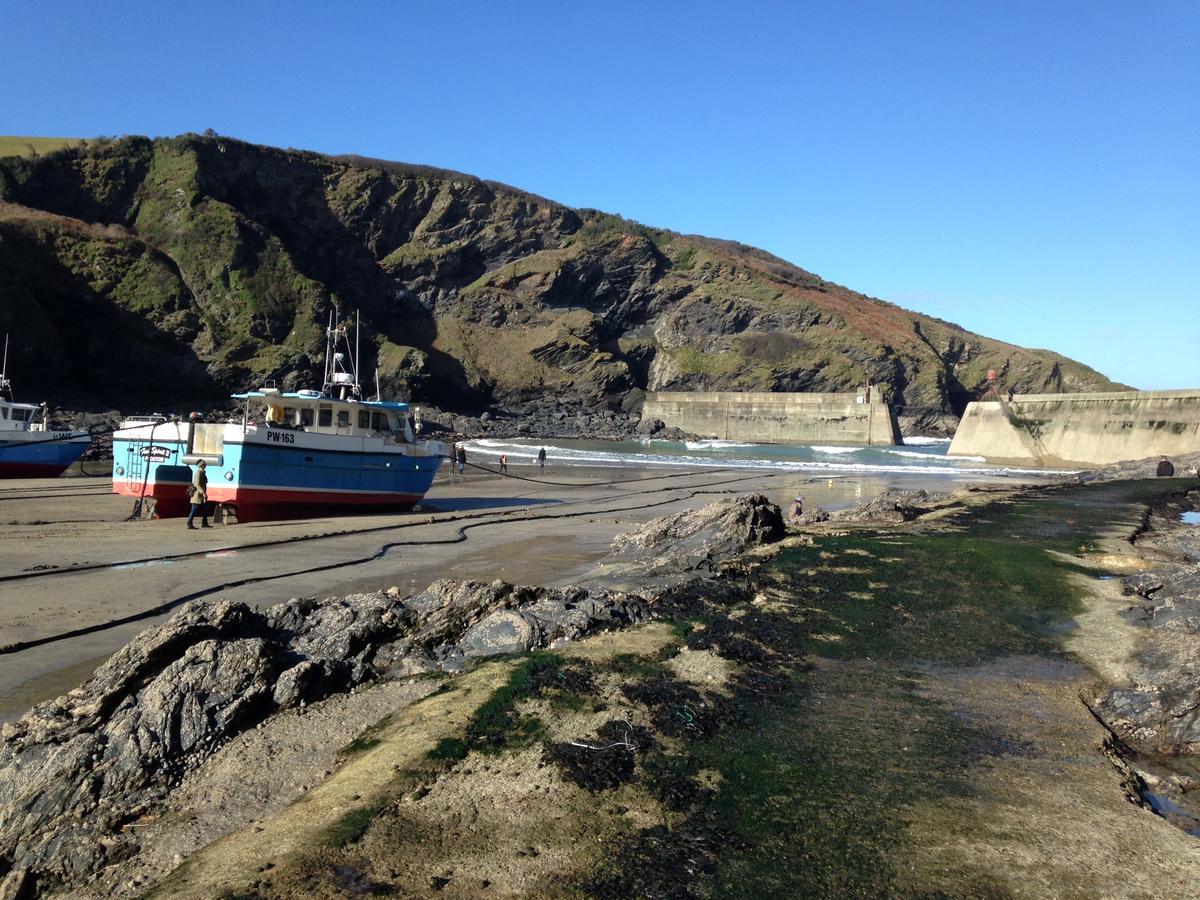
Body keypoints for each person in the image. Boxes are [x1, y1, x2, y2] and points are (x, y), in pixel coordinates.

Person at [187, 460, 210, 529]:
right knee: (194, 509)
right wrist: (203, 492)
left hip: (201, 495)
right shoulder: (198, 473)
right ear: (202, 465)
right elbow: (197, 484)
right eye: (204, 464)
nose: (206, 465)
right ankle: (189, 523)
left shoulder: (202, 472)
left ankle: (204, 522)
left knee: (205, 508)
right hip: (197, 495)